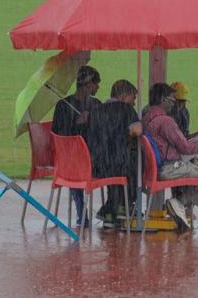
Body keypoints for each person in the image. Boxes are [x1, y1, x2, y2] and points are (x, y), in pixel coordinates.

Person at [142, 83, 198, 231]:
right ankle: (180, 202)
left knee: (197, 165)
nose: (173, 104)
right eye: (172, 100)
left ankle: (180, 205)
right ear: (163, 100)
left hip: (155, 169)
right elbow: (186, 148)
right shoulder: (166, 122)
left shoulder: (147, 118)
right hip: (170, 168)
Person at [87, 80, 142, 228]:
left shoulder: (97, 110)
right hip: (118, 164)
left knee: (116, 171)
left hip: (97, 165)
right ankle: (123, 207)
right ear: (124, 95)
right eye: (133, 98)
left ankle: (110, 212)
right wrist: (129, 135)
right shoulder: (126, 109)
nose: (134, 103)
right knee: (136, 163)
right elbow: (137, 131)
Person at [51, 65, 102, 227]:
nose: (98, 87)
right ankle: (82, 213)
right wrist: (77, 123)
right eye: (96, 84)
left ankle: (111, 210)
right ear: (88, 85)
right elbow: (59, 135)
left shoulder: (96, 105)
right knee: (77, 165)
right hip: (73, 158)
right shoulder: (63, 106)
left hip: (94, 155)